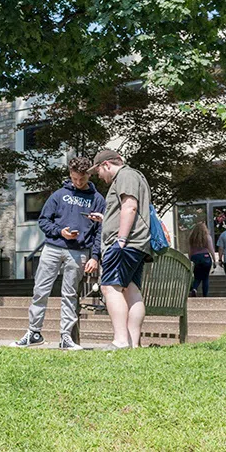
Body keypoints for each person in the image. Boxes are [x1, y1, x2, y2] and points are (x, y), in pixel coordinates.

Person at [12, 156, 104, 350]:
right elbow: (44, 221)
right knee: (40, 290)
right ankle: (34, 333)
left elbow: (100, 232)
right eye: (75, 178)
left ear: (89, 175)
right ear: (70, 174)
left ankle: (66, 337)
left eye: (82, 179)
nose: (78, 183)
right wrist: (60, 232)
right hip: (53, 248)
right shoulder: (59, 195)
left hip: (79, 252)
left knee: (70, 294)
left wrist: (95, 257)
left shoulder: (97, 200)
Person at [88, 149, 151, 350]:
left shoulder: (126, 175)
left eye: (98, 171)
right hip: (136, 244)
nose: (99, 176)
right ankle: (132, 343)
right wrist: (105, 219)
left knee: (109, 288)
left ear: (106, 164)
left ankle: (121, 341)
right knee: (131, 290)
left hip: (126, 243)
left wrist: (121, 240)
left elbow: (130, 206)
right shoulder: (133, 176)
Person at [188, 222, 216, 297]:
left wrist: (190, 259)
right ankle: (205, 295)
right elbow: (211, 249)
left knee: (197, 276)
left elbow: (190, 250)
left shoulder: (192, 238)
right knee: (205, 277)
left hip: (195, 258)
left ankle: (194, 288)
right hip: (205, 257)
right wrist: (214, 260)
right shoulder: (207, 237)